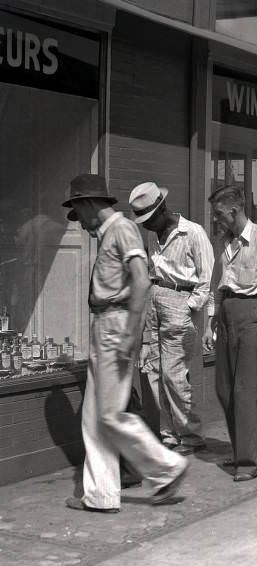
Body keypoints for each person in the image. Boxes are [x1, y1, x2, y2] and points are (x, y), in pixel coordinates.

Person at [62, 174, 188, 512]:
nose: (82, 224)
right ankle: (100, 495)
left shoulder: (121, 229)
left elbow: (142, 281)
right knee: (94, 417)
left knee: (111, 414)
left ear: (87, 203)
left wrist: (130, 332)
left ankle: (166, 468)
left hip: (115, 325)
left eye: (78, 211)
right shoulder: (110, 233)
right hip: (106, 323)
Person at [203, 186, 257, 481]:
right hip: (226, 314)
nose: (216, 220)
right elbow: (217, 281)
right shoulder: (224, 242)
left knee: (246, 390)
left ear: (234, 211)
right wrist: (211, 320)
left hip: (251, 313)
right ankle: (241, 449)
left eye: (219, 214)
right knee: (224, 388)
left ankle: (250, 461)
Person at [130, 181, 214, 456]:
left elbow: (206, 280)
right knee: (152, 369)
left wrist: (189, 307)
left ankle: (190, 433)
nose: (145, 225)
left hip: (180, 300)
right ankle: (169, 433)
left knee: (174, 375)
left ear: (162, 208)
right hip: (154, 298)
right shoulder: (154, 235)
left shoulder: (193, 233)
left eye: (148, 218)